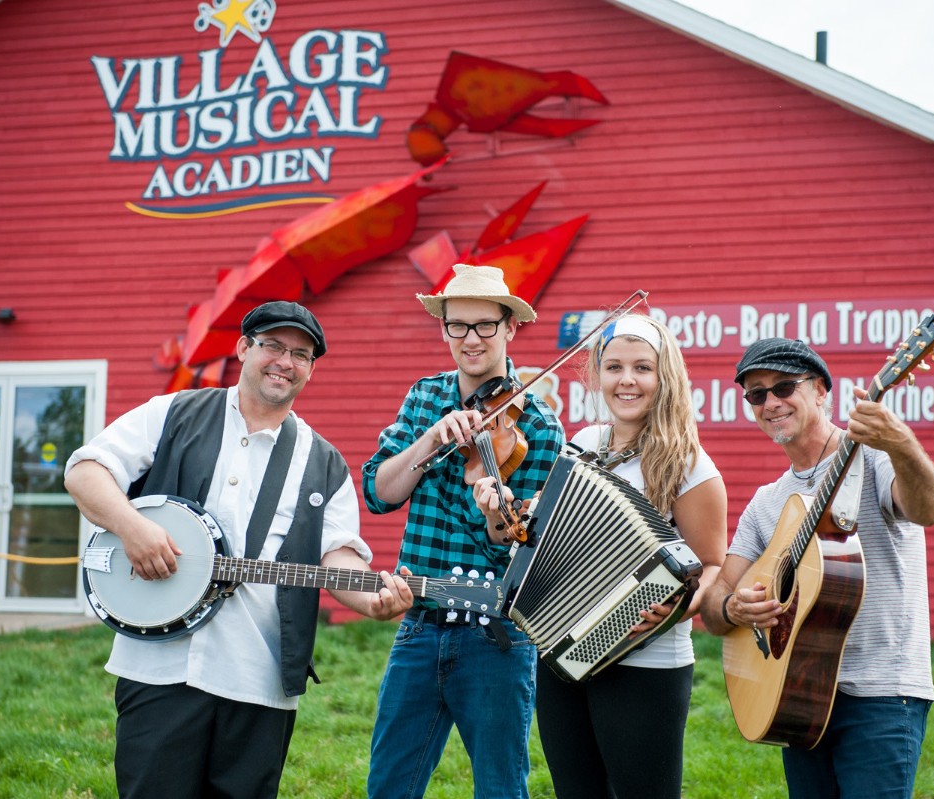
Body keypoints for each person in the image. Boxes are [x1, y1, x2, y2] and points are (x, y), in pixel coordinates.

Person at [64, 301, 414, 799]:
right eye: (273, 345)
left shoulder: (324, 463)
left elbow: (337, 556)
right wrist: (133, 528)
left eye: (301, 354)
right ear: (244, 347)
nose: (285, 362)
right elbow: (85, 472)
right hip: (159, 667)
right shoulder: (174, 412)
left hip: (260, 677)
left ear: (311, 370)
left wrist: (373, 601)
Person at [475, 313, 728, 799]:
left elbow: (712, 566)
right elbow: (544, 535)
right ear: (597, 376)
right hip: (561, 651)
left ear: (665, 377)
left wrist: (675, 606)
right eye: (613, 368)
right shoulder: (585, 443)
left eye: (641, 368)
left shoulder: (691, 466)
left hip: (646, 663)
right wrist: (503, 515)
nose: (626, 380)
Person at [702, 337, 934, 799]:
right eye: (757, 394)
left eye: (784, 387)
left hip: (881, 693)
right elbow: (714, 602)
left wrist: (902, 444)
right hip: (795, 694)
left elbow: (926, 508)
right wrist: (735, 608)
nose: (771, 403)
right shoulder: (765, 503)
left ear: (820, 391)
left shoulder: (872, 460)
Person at [362, 264, 565, 799]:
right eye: (458, 326)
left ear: (510, 329)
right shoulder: (425, 397)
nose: (471, 339)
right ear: (445, 329)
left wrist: (497, 510)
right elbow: (380, 493)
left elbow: (522, 540)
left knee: (500, 788)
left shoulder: (539, 425)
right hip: (420, 624)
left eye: (485, 326)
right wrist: (429, 440)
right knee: (388, 786)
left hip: (495, 635)